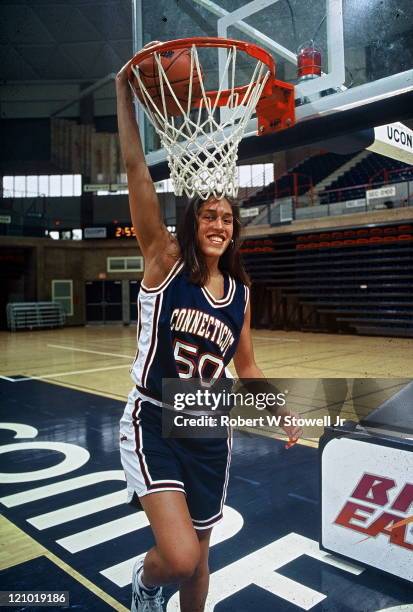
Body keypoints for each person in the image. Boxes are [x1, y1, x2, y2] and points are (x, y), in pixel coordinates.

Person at [116, 47, 303, 612]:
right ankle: (145, 585)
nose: (219, 224)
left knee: (199, 561)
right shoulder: (163, 260)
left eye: (227, 217)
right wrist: (124, 95)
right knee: (175, 559)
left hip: (208, 428)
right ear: (193, 221)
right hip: (153, 417)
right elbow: (135, 172)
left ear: (235, 229)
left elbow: (245, 367)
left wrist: (278, 409)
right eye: (209, 215)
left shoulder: (241, 293)